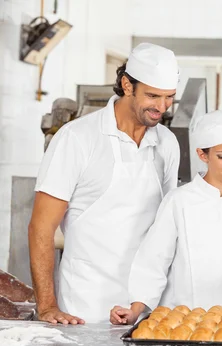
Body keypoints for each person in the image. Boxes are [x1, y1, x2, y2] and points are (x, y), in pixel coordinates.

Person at [29, 43, 181, 324]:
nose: (161, 107)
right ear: (126, 85)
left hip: (146, 309)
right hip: (85, 308)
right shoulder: (77, 138)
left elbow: (166, 227)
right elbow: (41, 227)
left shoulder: (167, 143)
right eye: (152, 96)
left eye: (169, 97)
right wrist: (48, 306)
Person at [110, 110, 222, 325]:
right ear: (202, 155)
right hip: (183, 320)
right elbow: (153, 260)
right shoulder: (179, 201)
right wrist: (135, 309)